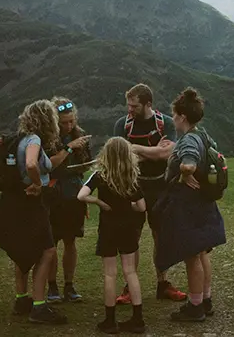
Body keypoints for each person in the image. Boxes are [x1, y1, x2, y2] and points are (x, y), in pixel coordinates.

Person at [0, 99, 68, 325]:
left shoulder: (19, 139)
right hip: (31, 203)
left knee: (22, 249)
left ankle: (22, 299)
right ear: (48, 120)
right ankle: (39, 307)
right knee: (48, 251)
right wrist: (37, 185)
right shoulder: (34, 139)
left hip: (13, 200)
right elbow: (31, 164)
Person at [154, 87, 226, 322]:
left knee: (192, 256)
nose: (172, 119)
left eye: (174, 115)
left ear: (182, 116)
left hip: (188, 205)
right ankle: (205, 300)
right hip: (202, 203)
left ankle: (195, 307)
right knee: (202, 252)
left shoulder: (188, 140)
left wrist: (185, 173)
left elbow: (188, 164)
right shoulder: (203, 134)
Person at [113, 83, 187, 303]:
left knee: (160, 236)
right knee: (131, 237)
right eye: (128, 105)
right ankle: (129, 287)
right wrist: (153, 152)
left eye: (134, 106)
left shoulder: (164, 123)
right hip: (132, 188)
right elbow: (119, 156)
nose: (130, 110)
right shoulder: (122, 124)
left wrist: (135, 149)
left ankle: (163, 283)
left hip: (160, 187)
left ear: (148, 104)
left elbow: (168, 153)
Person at [77, 137, 147, 334]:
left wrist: (100, 203)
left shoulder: (100, 176)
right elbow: (141, 207)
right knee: (130, 271)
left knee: (110, 274)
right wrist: (129, 206)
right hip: (128, 228)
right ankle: (137, 319)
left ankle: (110, 321)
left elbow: (81, 196)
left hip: (108, 228)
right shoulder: (131, 177)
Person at [45, 97, 92, 304]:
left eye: (71, 121)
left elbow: (85, 165)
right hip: (53, 194)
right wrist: (70, 148)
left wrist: (85, 161)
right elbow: (48, 165)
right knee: (51, 243)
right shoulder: (47, 137)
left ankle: (69, 285)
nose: (68, 125)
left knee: (70, 240)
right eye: (64, 122)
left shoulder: (79, 134)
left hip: (73, 193)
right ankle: (52, 286)